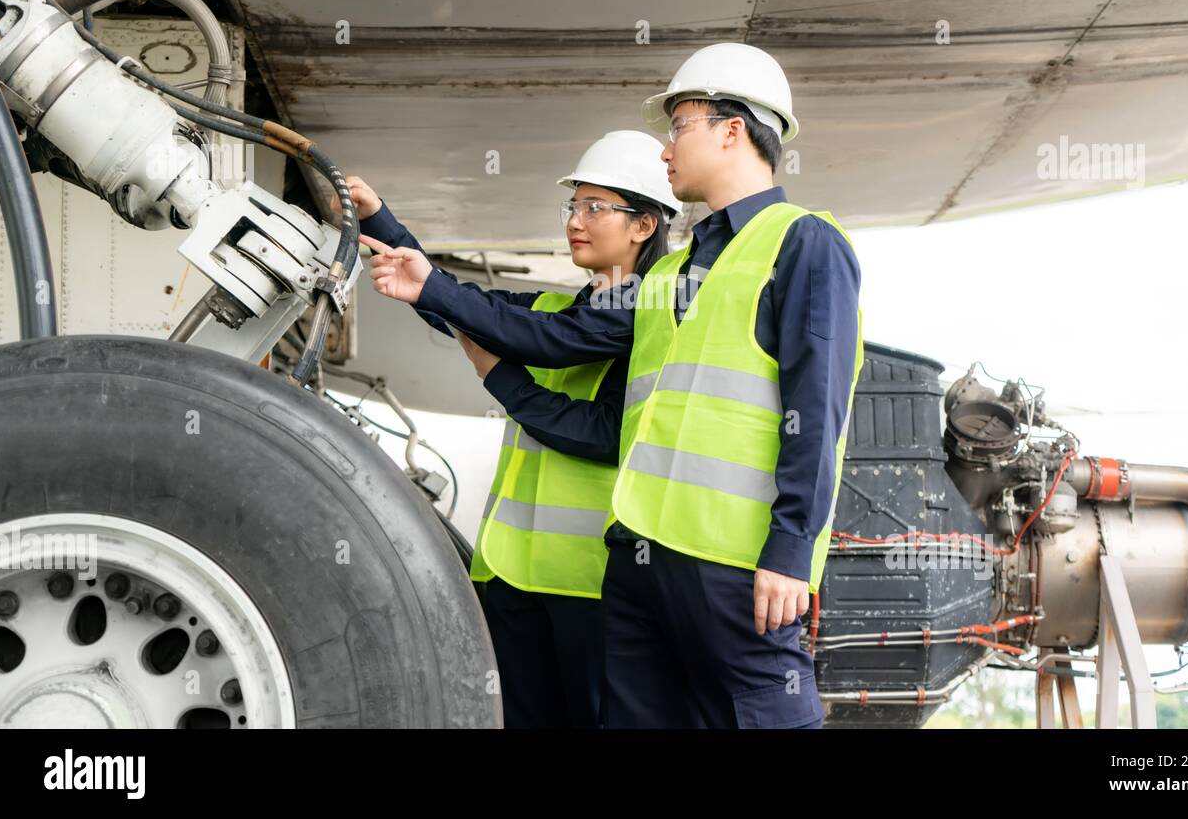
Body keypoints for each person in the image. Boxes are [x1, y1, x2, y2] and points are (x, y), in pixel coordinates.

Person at [362, 43, 863, 728]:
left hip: (735, 566)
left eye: (679, 126)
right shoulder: (667, 275)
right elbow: (543, 333)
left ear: (733, 129)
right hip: (640, 561)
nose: (666, 149)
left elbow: (819, 407)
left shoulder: (803, 243)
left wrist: (790, 547)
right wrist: (394, 241)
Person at [348, 130, 681, 728]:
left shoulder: (647, 314)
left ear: (644, 225)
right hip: (511, 577)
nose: (576, 221)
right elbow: (465, 306)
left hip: (593, 586)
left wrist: (496, 373)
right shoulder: (560, 309)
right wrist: (382, 221)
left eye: (595, 207)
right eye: (572, 206)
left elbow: (601, 431)